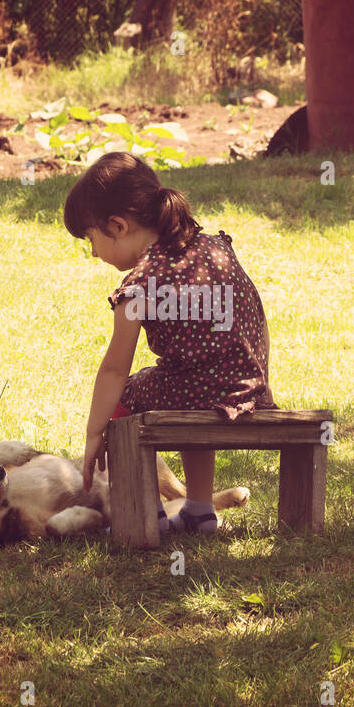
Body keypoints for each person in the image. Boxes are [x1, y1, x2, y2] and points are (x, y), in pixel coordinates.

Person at [63, 152, 275, 534]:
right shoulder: (216, 249)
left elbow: (115, 369)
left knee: (128, 394)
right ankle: (198, 510)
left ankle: (146, 513)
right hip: (248, 388)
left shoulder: (140, 285)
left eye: (91, 239)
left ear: (117, 225)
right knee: (188, 381)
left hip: (202, 393)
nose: (93, 252)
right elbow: (254, 318)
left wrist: (95, 432)